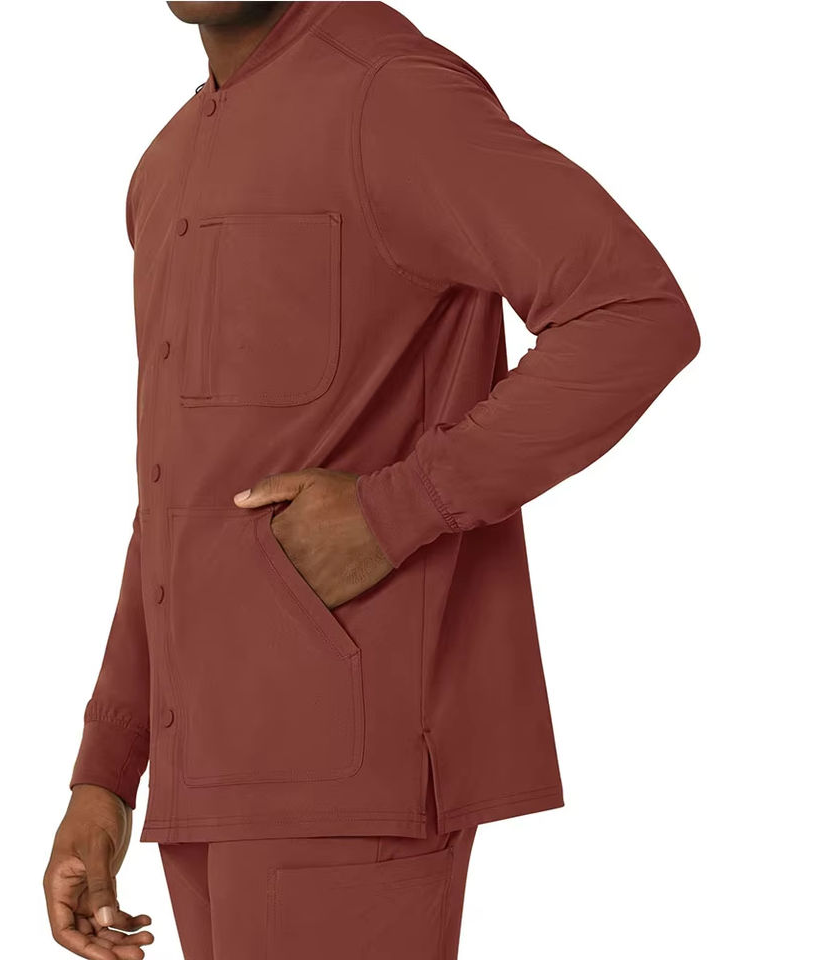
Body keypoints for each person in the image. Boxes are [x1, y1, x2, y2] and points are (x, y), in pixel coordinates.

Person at [43, 3, 700, 958]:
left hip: (350, 779)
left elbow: (633, 313)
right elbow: (175, 499)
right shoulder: (165, 168)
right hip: (206, 788)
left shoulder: (389, 99)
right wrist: (106, 771)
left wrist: (398, 509)